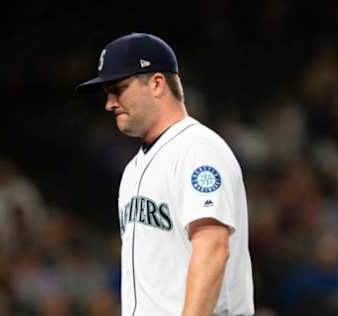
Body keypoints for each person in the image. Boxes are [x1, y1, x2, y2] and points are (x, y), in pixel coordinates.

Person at [75, 33, 254, 316]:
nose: (109, 103)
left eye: (118, 88)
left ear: (157, 83)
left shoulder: (197, 149)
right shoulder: (134, 168)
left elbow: (213, 248)